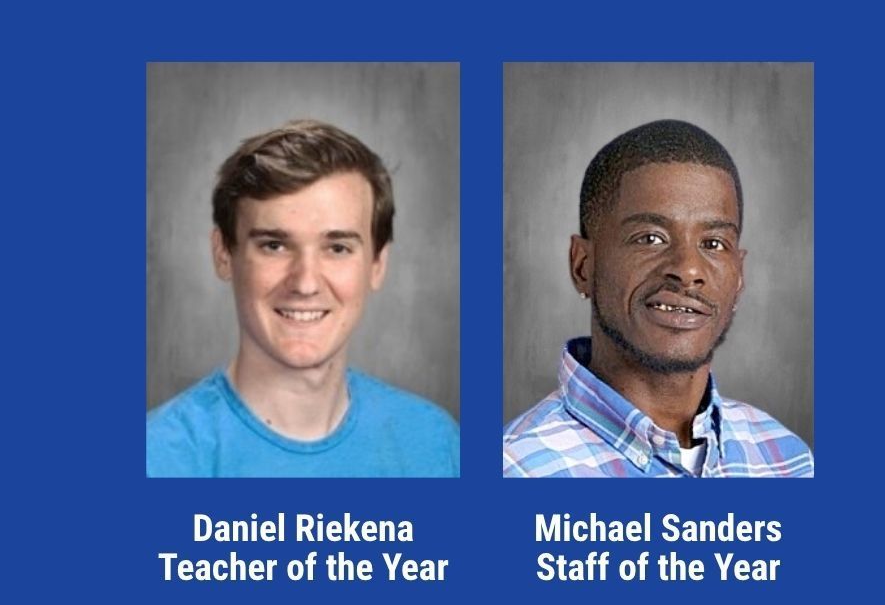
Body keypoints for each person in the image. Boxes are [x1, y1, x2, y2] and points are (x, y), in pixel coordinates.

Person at [148, 120, 459, 477]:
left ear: (377, 264)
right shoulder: (156, 459)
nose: (306, 283)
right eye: (274, 246)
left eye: (338, 248)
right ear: (223, 254)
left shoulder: (436, 445)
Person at [503, 120, 813, 478]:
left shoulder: (789, 460)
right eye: (650, 238)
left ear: (739, 276)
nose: (688, 269)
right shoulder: (518, 469)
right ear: (583, 266)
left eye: (714, 244)